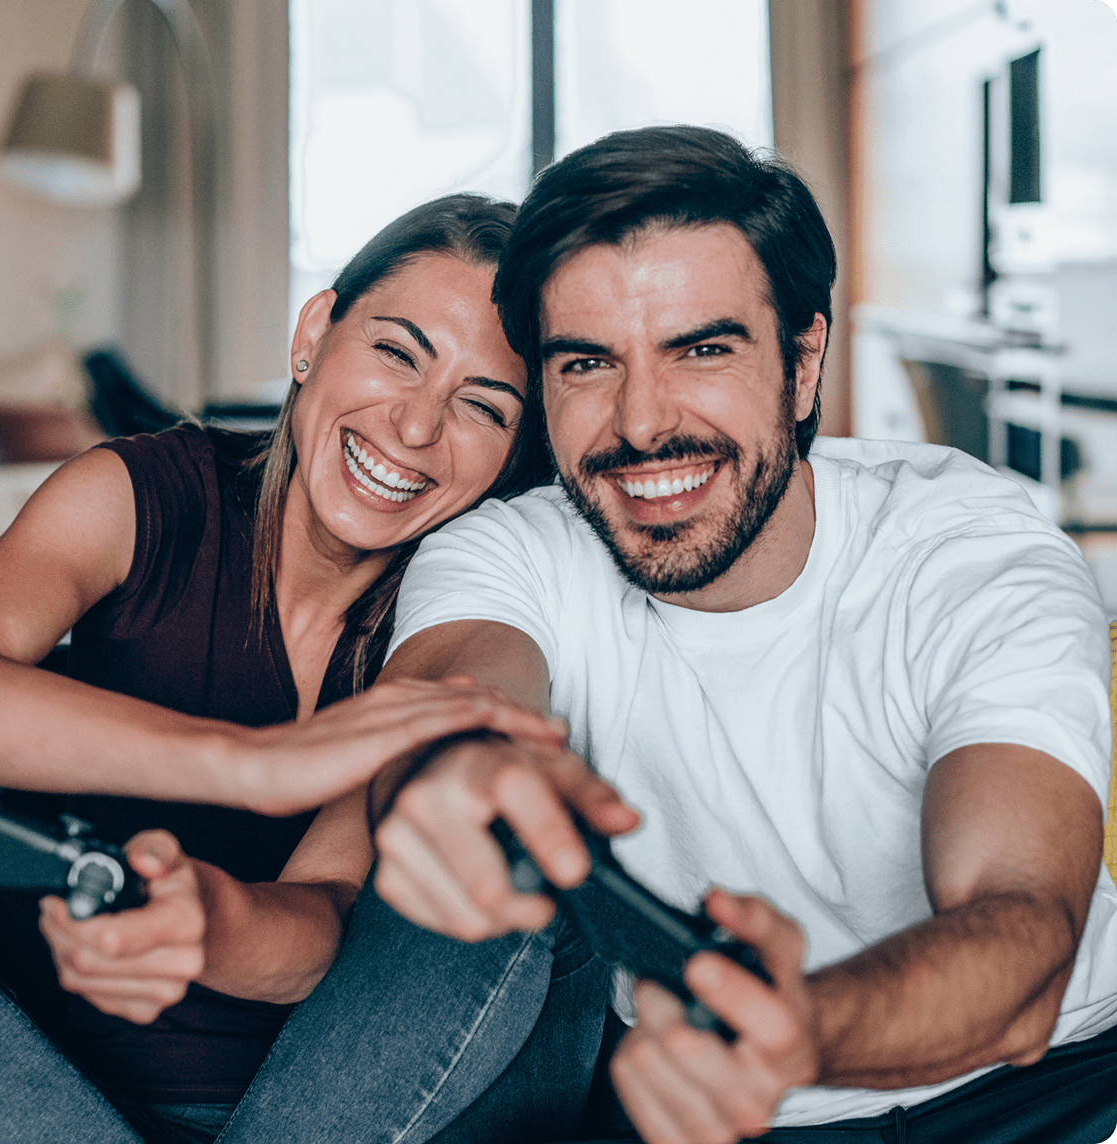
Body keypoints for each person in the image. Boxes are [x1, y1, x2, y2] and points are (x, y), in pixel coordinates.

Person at [350, 127, 1117, 1142]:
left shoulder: (969, 549)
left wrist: (801, 1028)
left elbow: (1019, 922)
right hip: (697, 1107)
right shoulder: (509, 553)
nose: (639, 422)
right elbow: (455, 696)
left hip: (1048, 1079)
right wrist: (446, 773)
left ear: (803, 363)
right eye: (587, 363)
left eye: (701, 349)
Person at [0, 194, 610, 1144]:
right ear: (315, 332)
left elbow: (327, 914)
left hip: (332, 1102)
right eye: (398, 351)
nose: (417, 426)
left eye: (483, 405)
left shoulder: (464, 617)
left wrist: (214, 926)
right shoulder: (140, 495)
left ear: (515, 456)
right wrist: (245, 761)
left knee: (521, 887)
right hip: (48, 1089)